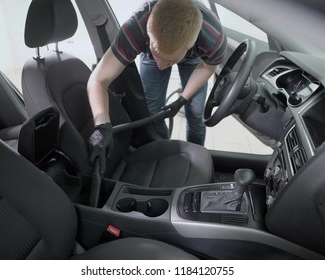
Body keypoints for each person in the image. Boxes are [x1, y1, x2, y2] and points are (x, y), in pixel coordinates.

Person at [87, 0, 227, 174]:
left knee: (196, 113)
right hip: (149, 53)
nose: (161, 66)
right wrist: (102, 126)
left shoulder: (214, 38)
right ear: (149, 31)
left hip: (193, 60)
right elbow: (98, 79)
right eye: (157, 51)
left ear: (191, 44)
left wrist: (183, 99)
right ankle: (165, 152)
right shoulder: (136, 27)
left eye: (169, 61)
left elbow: (207, 67)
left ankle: (194, 157)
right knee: (153, 111)